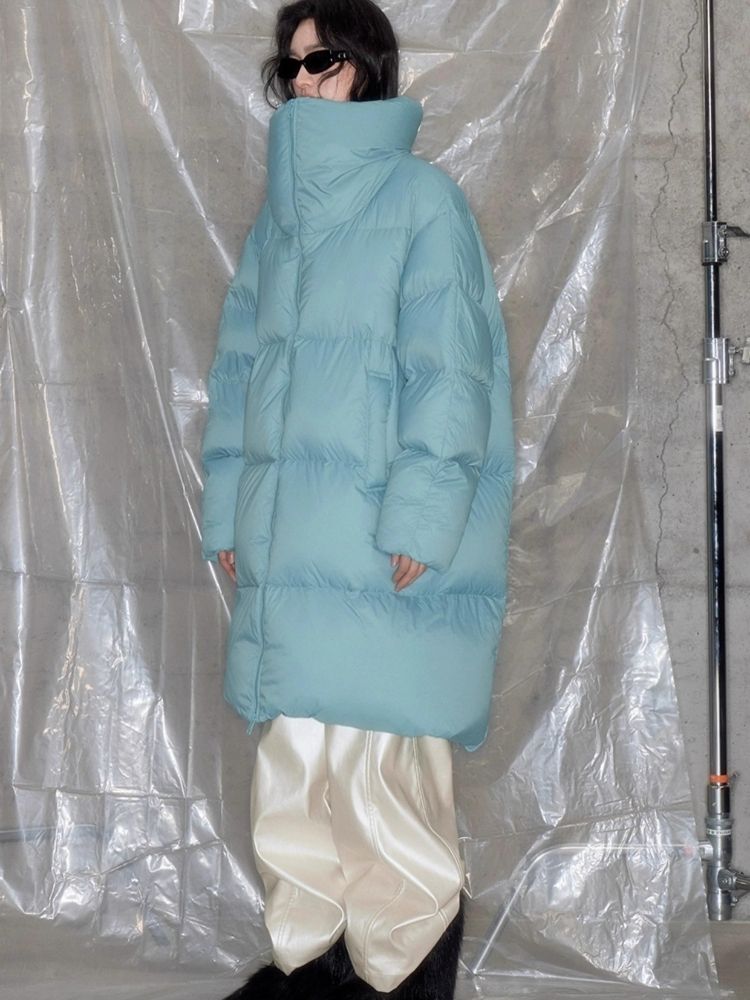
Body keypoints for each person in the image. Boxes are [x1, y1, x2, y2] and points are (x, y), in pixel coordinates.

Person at [199, 0, 514, 996]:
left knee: (382, 778)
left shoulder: (423, 202)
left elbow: (450, 375)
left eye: (322, 60)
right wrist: (230, 514)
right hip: (289, 547)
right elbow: (240, 375)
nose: (303, 81)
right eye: (289, 66)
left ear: (368, 67)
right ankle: (311, 967)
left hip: (378, 543)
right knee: (295, 778)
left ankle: (402, 972)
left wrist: (423, 515)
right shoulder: (279, 223)